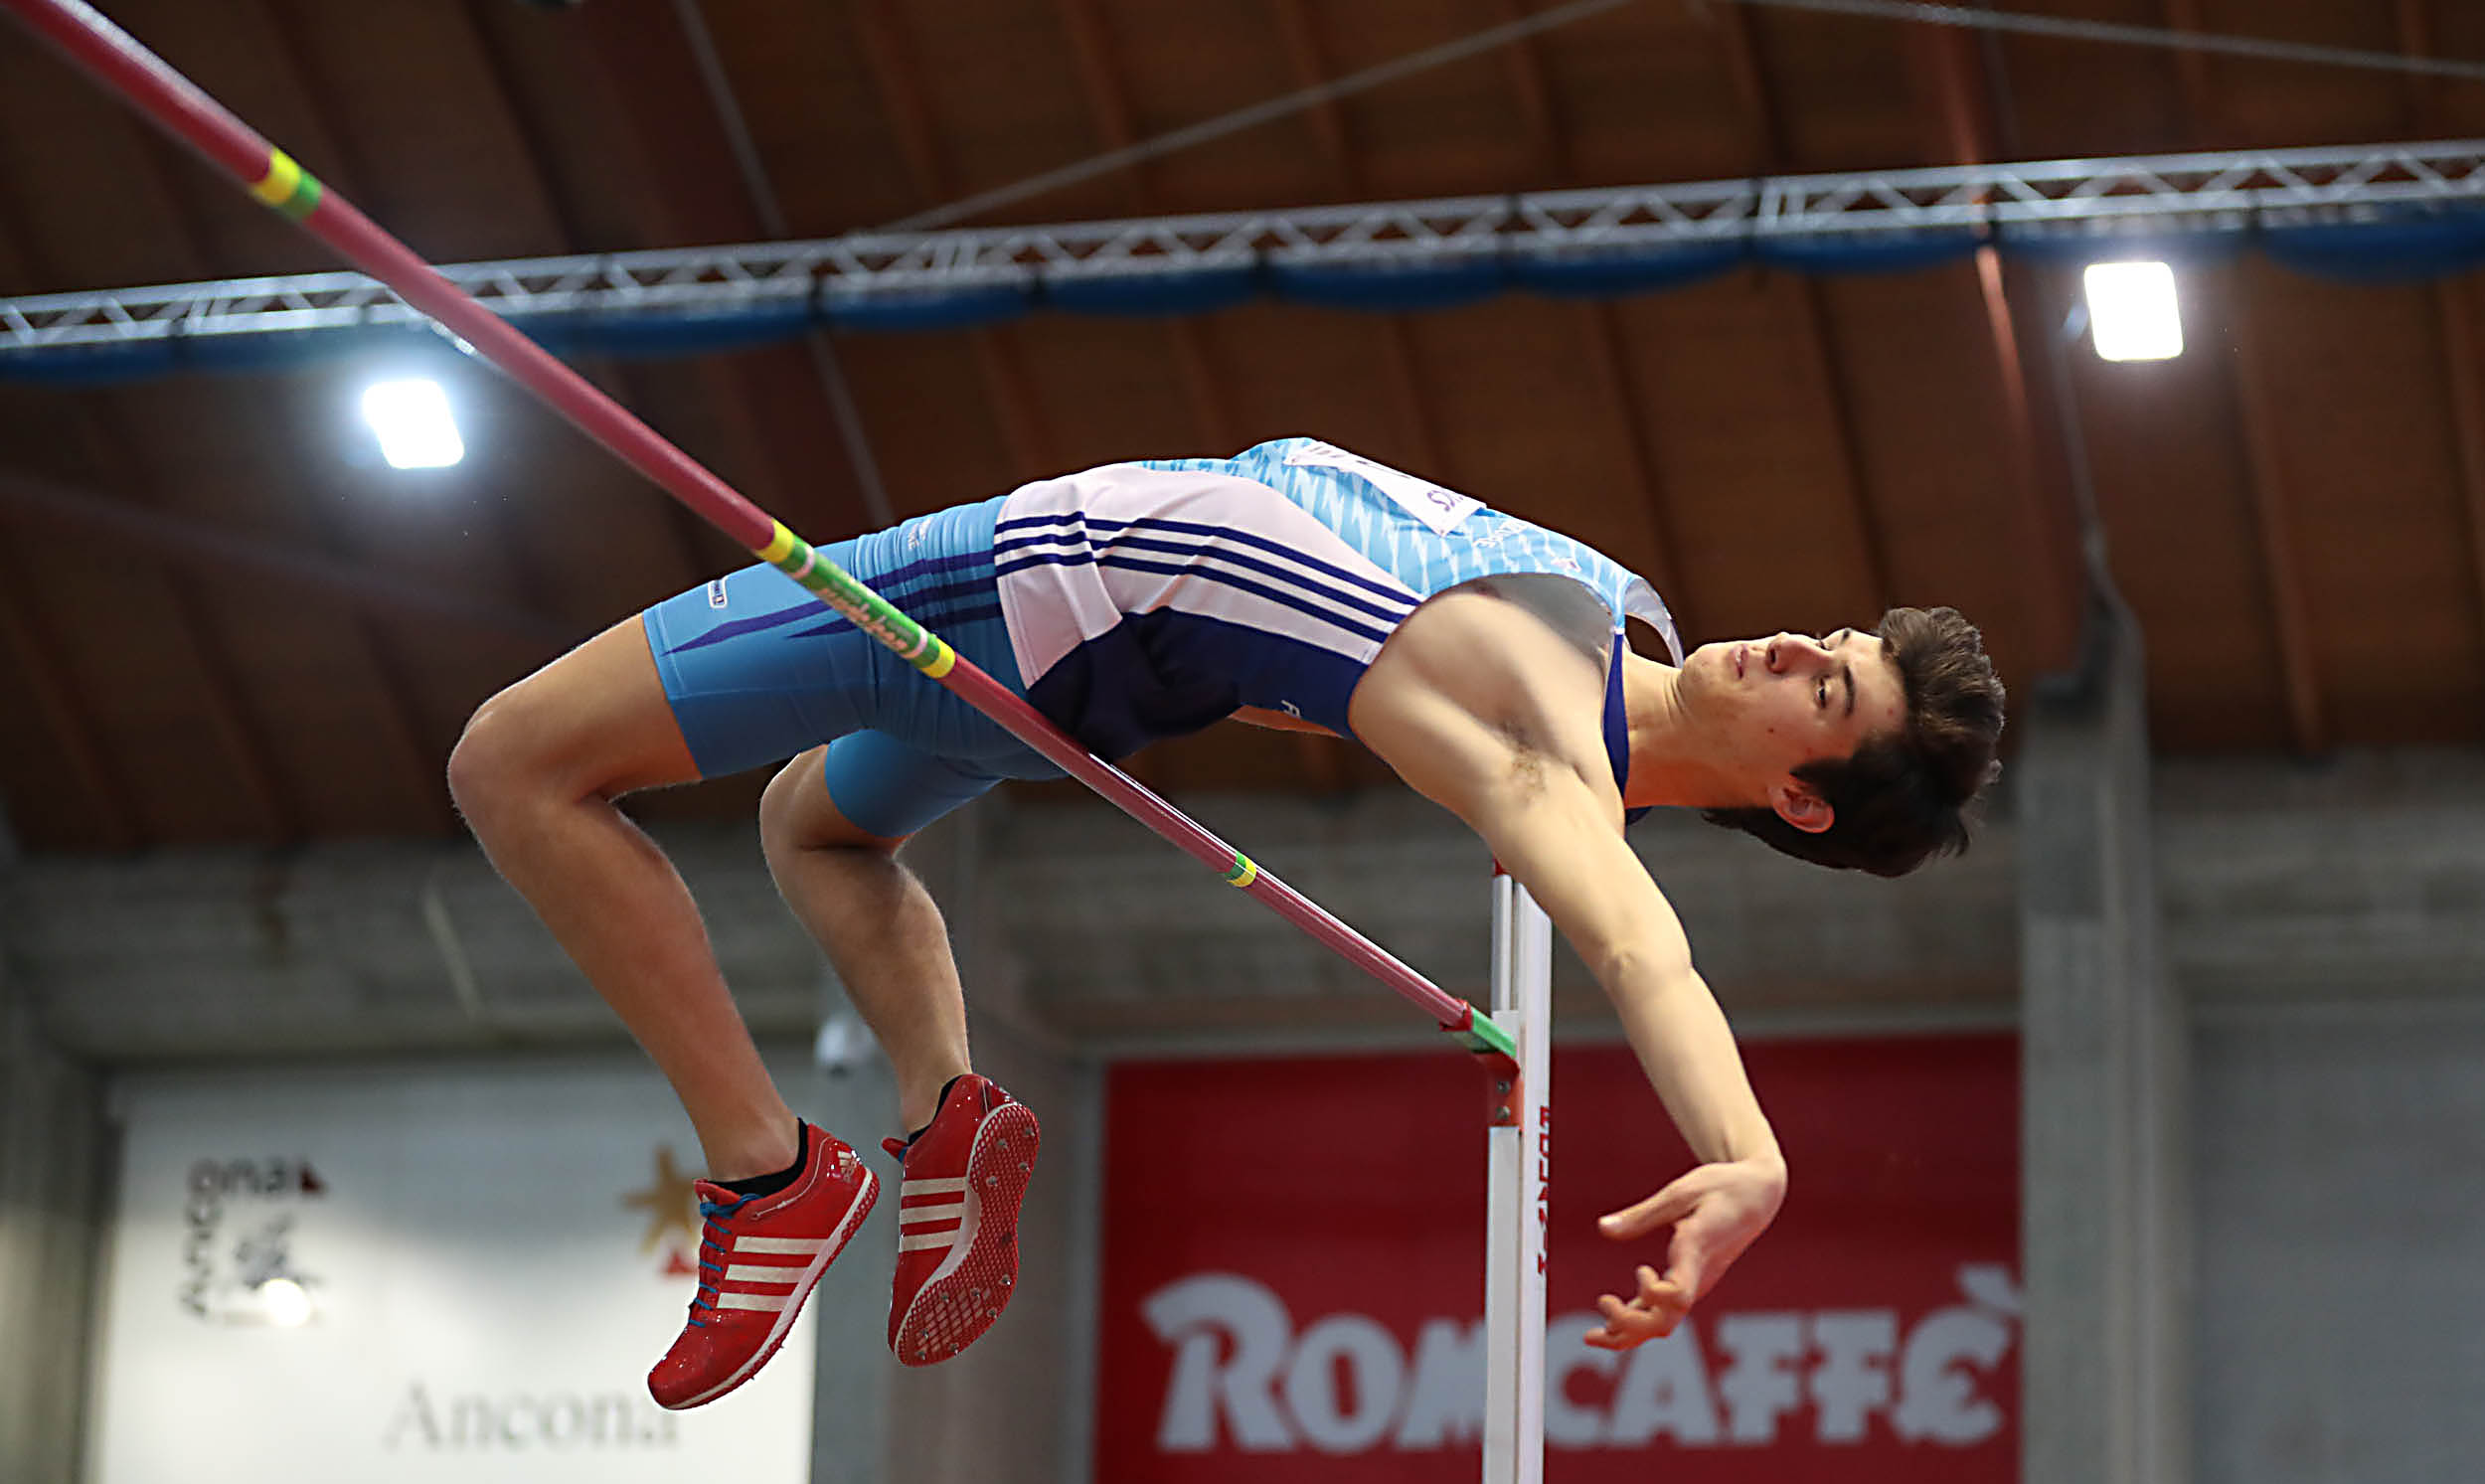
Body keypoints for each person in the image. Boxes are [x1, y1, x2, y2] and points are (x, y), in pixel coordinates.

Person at [446, 436, 2005, 1410]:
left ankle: (769, 1172)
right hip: (1107, 668)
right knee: (816, 826)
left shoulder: (1549, 740)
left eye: (1827, 691)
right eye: (1833, 638)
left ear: (1801, 799)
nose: (1792, 645)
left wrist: (1748, 1155)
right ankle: (945, 1110)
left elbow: (1639, 946)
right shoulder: (1621, 616)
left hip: (1031, 585)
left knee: (516, 764)